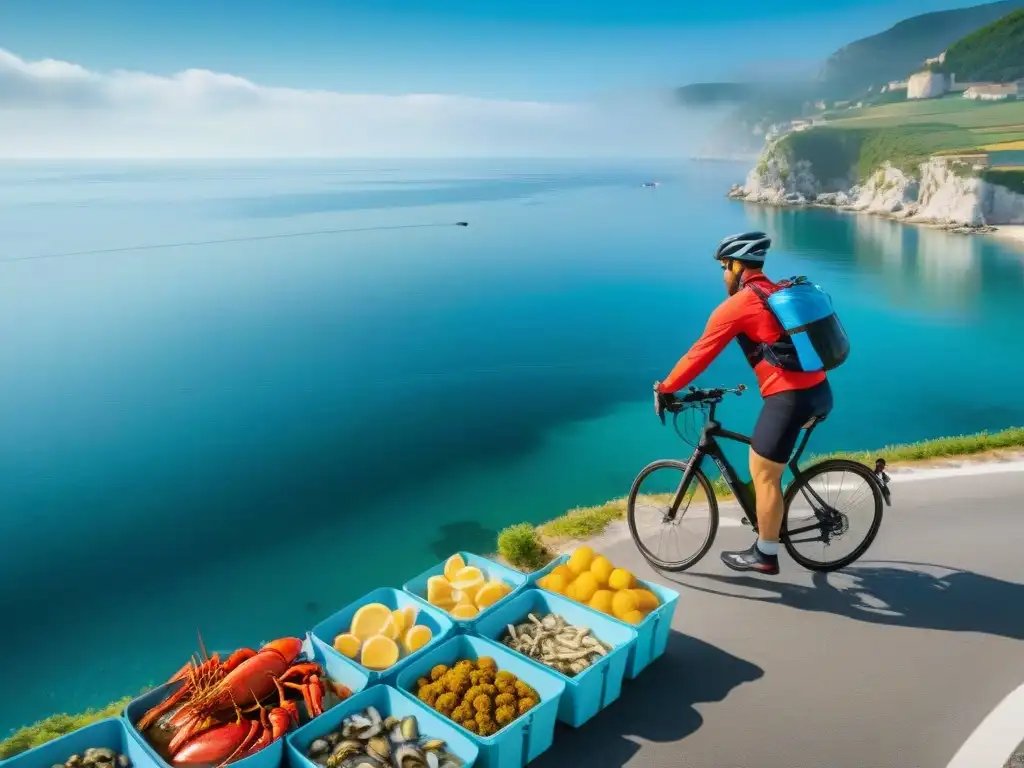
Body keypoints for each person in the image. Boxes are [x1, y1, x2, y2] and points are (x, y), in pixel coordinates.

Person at [653, 231, 834, 575]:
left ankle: (765, 553)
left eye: (724, 267)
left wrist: (665, 388)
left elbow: (699, 354)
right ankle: (766, 516)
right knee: (768, 463)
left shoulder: (740, 304)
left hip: (790, 398)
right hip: (819, 391)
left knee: (764, 473)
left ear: (737, 266)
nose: (724, 275)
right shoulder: (776, 291)